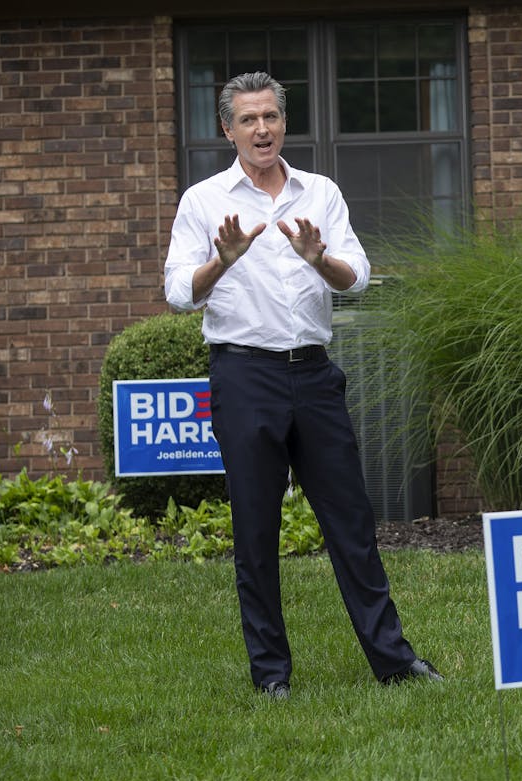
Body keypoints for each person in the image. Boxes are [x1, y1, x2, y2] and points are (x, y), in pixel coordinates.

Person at [163, 71, 442, 699]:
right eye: (248, 120)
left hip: (314, 375)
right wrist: (222, 261)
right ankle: (271, 676)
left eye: (271, 117)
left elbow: (359, 278)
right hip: (244, 376)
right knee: (255, 533)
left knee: (351, 525)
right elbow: (179, 294)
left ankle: (394, 661)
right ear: (227, 129)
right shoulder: (202, 202)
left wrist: (321, 260)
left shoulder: (322, 193)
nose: (261, 129)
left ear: (283, 123)